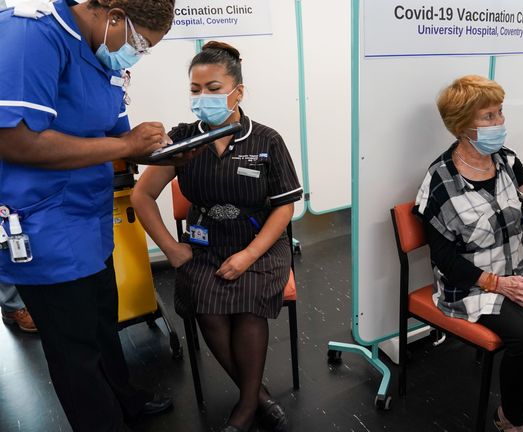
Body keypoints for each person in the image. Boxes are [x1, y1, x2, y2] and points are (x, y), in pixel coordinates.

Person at [0, 1, 178, 431]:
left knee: (102, 321)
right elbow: (15, 141)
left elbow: (117, 126)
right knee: (73, 349)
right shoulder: (31, 35)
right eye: (139, 43)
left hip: (88, 216)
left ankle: (125, 402)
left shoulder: (98, 49)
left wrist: (167, 150)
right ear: (114, 15)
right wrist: (126, 147)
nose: (137, 54)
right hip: (43, 225)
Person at [132, 41, 303, 432]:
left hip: (260, 244)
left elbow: (284, 207)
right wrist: (170, 248)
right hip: (204, 243)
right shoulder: (182, 140)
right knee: (207, 308)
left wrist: (248, 255)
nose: (202, 98)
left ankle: (244, 408)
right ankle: (257, 395)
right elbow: (142, 195)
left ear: (237, 91)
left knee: (248, 307)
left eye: (213, 89)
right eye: (195, 89)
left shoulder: (266, 140)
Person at [414, 75, 523, 432]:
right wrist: (497, 284)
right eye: (488, 116)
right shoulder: (439, 181)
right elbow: (445, 260)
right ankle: (511, 419)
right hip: (473, 285)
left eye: (499, 112)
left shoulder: (509, 161)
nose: (500, 122)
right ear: (462, 127)